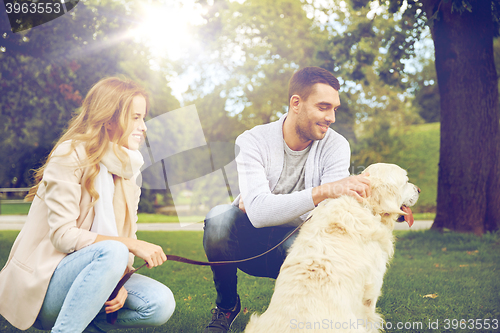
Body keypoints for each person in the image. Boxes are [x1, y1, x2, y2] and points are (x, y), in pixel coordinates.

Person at [202, 66, 371, 333]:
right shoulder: (253, 140)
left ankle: (304, 317)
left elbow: (330, 217)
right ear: (296, 103)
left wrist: (266, 205)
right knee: (219, 218)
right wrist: (323, 191)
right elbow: (258, 215)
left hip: (300, 246)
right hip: (250, 245)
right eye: (324, 107)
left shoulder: (336, 146)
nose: (331, 117)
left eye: (334, 109)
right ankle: (227, 306)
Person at [0, 77, 175, 332]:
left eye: (143, 117)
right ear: (109, 119)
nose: (144, 127)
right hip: (45, 285)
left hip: (95, 272)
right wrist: (131, 246)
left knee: (160, 303)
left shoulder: (128, 169)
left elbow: (125, 238)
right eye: (135, 117)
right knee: (113, 249)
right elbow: (63, 236)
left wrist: (120, 281)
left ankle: (82, 319)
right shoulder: (70, 154)